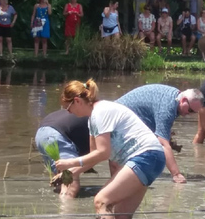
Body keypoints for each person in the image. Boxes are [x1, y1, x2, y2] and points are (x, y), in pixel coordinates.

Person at [55, 79, 166, 219]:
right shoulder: (92, 120)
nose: (68, 112)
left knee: (101, 202)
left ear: (77, 101)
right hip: (151, 159)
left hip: (146, 156)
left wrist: (70, 162)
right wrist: (70, 173)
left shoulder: (100, 112)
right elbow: (94, 157)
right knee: (121, 215)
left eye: (68, 107)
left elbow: (103, 153)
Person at [116, 85, 204, 183]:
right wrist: (176, 174)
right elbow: (162, 143)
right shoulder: (168, 107)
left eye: (194, 113)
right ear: (183, 100)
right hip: (118, 118)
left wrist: (166, 136)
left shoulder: (175, 97)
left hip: (129, 117)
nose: (189, 114)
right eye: (190, 110)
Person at [35, 109, 89, 198]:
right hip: (58, 135)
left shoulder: (99, 110)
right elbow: (109, 157)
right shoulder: (112, 120)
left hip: (42, 132)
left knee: (61, 182)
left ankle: (60, 203)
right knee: (70, 185)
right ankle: (66, 210)